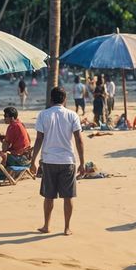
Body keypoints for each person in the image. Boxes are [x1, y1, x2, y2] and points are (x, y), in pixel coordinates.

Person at [30, 86, 85, 234]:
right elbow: (79, 139)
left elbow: (39, 139)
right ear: (65, 99)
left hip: (49, 160)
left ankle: (46, 226)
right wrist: (82, 162)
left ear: (51, 99)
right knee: (68, 196)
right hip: (67, 161)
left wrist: (33, 161)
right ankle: (67, 228)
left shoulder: (43, 115)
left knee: (48, 196)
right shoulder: (72, 115)